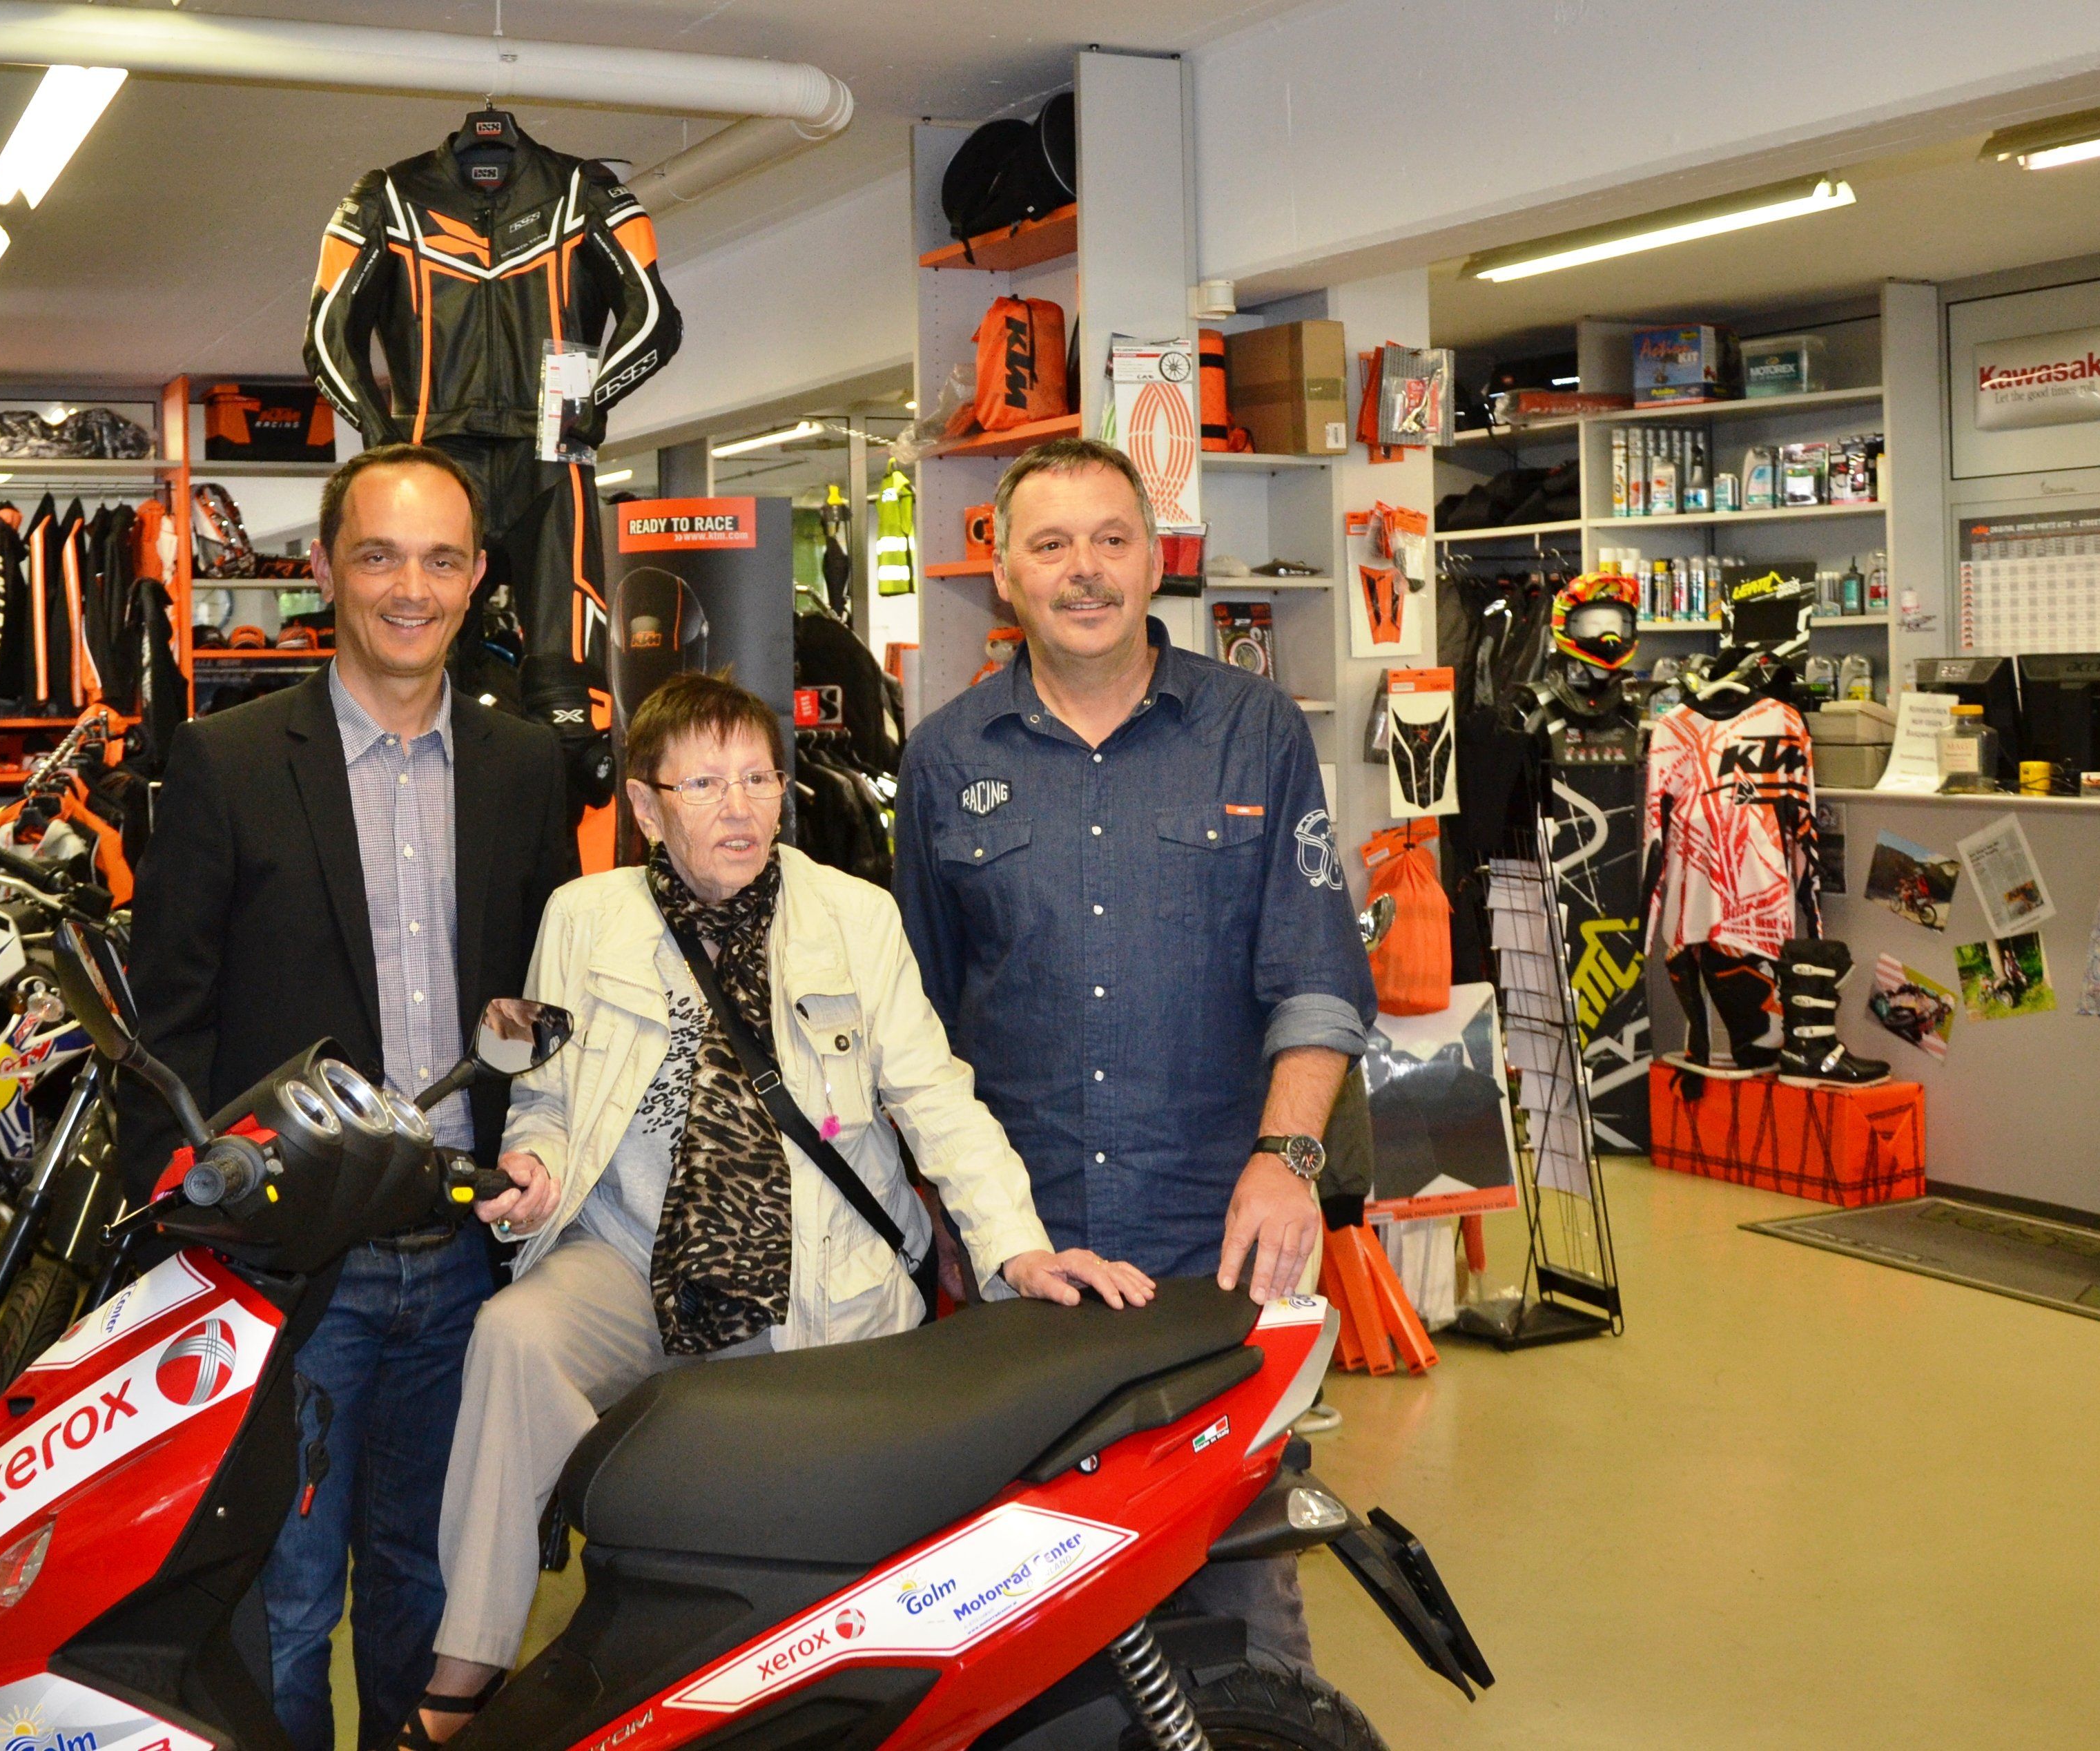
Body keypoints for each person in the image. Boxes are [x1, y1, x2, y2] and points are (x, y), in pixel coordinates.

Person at [405, 670, 1155, 1749]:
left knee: (790, 1524)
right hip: (631, 1249)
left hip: (815, 1268)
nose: (740, 808)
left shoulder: (853, 916)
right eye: (705, 783)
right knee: (513, 1336)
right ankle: (466, 1676)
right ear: (645, 804)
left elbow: (934, 1097)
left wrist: (1016, 1251)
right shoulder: (583, 917)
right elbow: (547, 1097)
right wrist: (535, 1167)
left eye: (758, 779)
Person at [893, 436, 1378, 1674]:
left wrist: (1287, 1158)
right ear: (1003, 574)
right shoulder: (944, 758)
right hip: (1027, 1246)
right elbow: (916, 1023)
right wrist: (944, 1207)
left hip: (1214, 1236)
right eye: (1051, 545)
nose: (1085, 570)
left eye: (1112, 540)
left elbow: (1317, 973)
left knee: (1241, 1592)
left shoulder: (1254, 730)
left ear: (1156, 560)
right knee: (1021, 1592)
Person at [123, 443, 581, 1751]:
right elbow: (168, 1024)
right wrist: (188, 1226)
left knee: (430, 1591)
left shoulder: (523, 766)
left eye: (440, 560)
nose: (409, 589)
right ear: (324, 569)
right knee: (282, 1600)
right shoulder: (224, 760)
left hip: (466, 1257)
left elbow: (549, 1004)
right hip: (292, 1265)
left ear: (478, 578)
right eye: (378, 556)